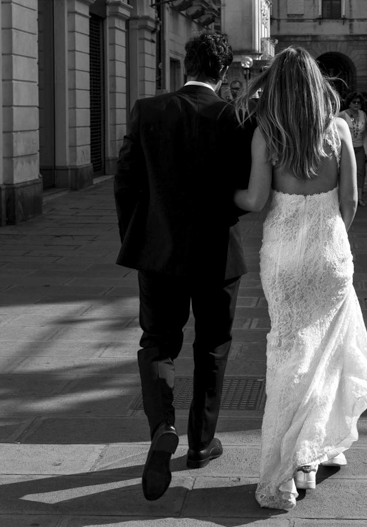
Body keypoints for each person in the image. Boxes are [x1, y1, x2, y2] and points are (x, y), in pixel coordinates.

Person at [234, 47, 367, 510]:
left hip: (283, 256)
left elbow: (255, 202)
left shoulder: (266, 133)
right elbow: (352, 199)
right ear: (318, 83)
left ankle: (287, 462)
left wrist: (225, 191)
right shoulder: (337, 129)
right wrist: (333, 235)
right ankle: (310, 459)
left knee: (289, 353)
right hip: (329, 252)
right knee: (326, 353)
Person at [113, 30, 253, 501]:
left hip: (159, 253)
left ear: (186, 66)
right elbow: (243, 189)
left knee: (158, 342)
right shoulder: (235, 117)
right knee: (213, 346)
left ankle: (162, 427)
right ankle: (200, 444)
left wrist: (138, 239)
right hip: (216, 253)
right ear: (224, 71)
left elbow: (126, 181)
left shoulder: (148, 110)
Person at [338, 92, 367, 207]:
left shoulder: (362, 114)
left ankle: (359, 197)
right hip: (346, 148)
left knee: (360, 173)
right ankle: (344, 197)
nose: (356, 104)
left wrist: (366, 150)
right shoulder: (342, 115)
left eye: (359, 102)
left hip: (359, 147)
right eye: (354, 102)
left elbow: (365, 134)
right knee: (344, 172)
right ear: (349, 103)